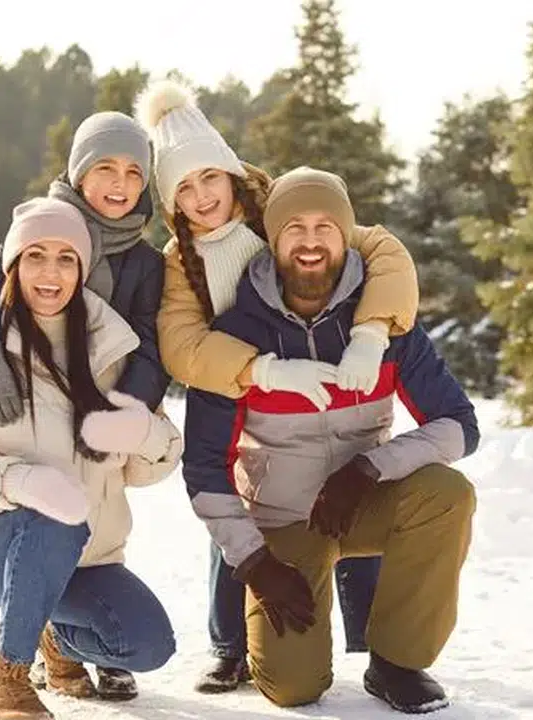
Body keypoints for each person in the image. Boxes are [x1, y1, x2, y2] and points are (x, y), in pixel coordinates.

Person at [136, 79, 420, 693]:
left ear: (231, 174)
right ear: (172, 201)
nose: (201, 195)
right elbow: (181, 343)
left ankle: (372, 640)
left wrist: (371, 332)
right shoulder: (179, 262)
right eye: (183, 187)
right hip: (250, 398)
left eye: (209, 178)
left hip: (334, 381)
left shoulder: (283, 212)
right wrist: (259, 370)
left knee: (353, 490)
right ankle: (230, 645)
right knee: (236, 503)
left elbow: (382, 250)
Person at [181, 167, 479, 713]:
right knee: (294, 689)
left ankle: (396, 664)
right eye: (294, 227)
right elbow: (202, 469)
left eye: (326, 227)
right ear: (272, 240)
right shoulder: (235, 338)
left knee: (447, 494)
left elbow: (459, 425)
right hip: (284, 522)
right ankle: (250, 644)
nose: (311, 241)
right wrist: (254, 563)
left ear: (346, 236)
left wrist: (368, 469)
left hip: (361, 503)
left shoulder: (387, 327)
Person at [0, 197, 182, 719]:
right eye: (35, 256)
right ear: (13, 265)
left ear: (82, 270)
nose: (50, 273)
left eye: (65, 258)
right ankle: (8, 678)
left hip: (87, 559)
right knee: (53, 517)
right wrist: (15, 482)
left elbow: (154, 465)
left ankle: (51, 635)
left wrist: (144, 431)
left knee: (148, 644)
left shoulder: (112, 352)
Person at [0, 111, 169, 428]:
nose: (120, 182)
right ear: (80, 173)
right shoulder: (42, 227)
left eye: (134, 172)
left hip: (96, 406)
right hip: (26, 395)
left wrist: (118, 414)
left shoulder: (146, 265)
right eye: (106, 167)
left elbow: (151, 351)